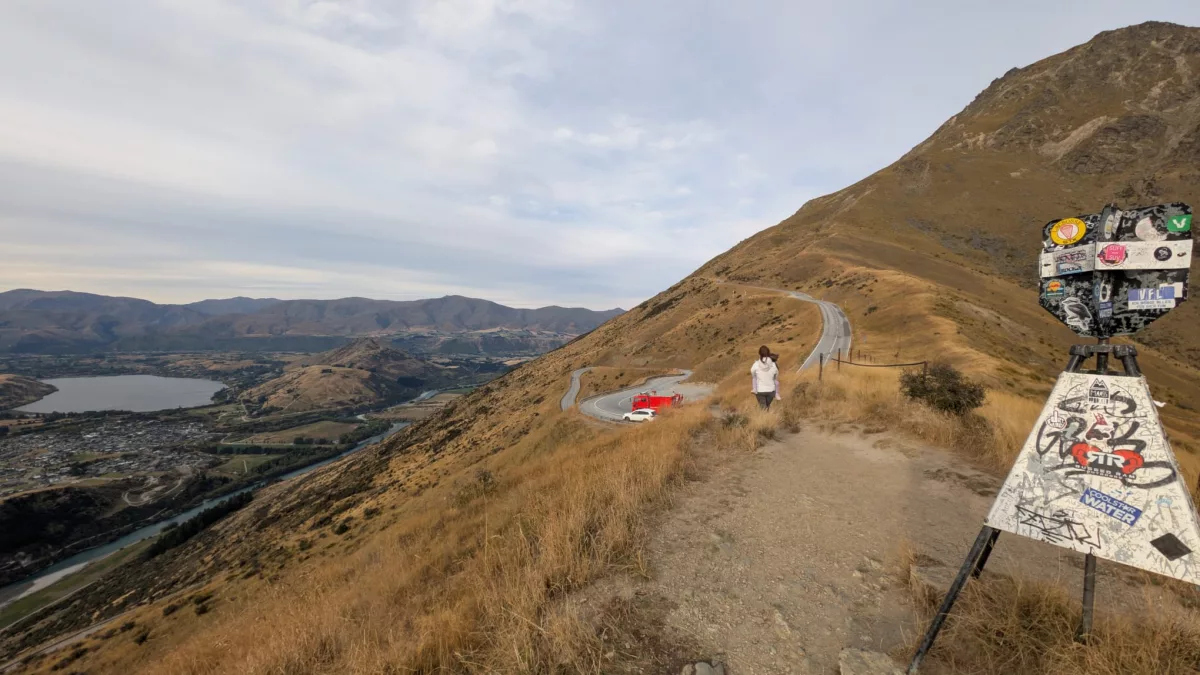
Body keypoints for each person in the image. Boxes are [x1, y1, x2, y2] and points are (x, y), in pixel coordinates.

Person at [751, 345, 780, 410]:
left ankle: (766, 419)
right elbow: (776, 375)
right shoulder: (773, 364)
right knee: (767, 406)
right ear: (768, 352)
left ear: (759, 353)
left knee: (763, 408)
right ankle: (768, 418)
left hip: (760, 390)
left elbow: (752, 372)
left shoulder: (756, 364)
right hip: (771, 390)